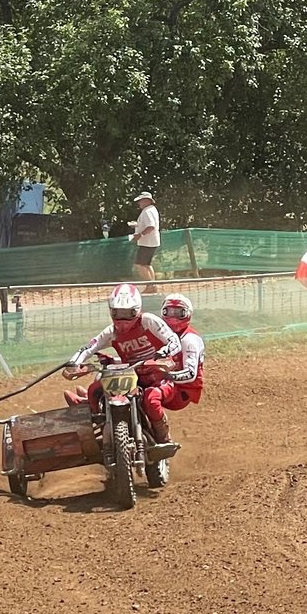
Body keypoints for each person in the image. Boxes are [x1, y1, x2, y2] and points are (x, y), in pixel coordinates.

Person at [61, 283, 182, 446]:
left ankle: (163, 436)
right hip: (132, 375)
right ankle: (97, 417)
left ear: (137, 310)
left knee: (151, 400)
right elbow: (90, 347)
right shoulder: (111, 332)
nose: (123, 320)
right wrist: (75, 361)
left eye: (128, 314)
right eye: (118, 314)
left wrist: (164, 352)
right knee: (96, 387)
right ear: (111, 311)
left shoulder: (148, 321)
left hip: (159, 374)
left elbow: (174, 341)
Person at [156, 293, 205, 413]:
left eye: (178, 313)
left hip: (183, 390)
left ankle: (160, 429)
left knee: (150, 396)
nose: (173, 317)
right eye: (169, 312)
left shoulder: (189, 340)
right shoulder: (160, 334)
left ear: (187, 314)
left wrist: (165, 376)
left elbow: (190, 374)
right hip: (167, 381)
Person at [129, 191, 162, 282]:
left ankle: (150, 285)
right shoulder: (151, 210)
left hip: (147, 242)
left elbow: (151, 226)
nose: (139, 203)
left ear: (147, 201)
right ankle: (152, 285)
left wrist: (140, 235)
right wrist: (137, 225)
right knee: (146, 264)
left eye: (141, 201)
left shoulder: (147, 211)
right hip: (150, 242)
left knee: (140, 265)